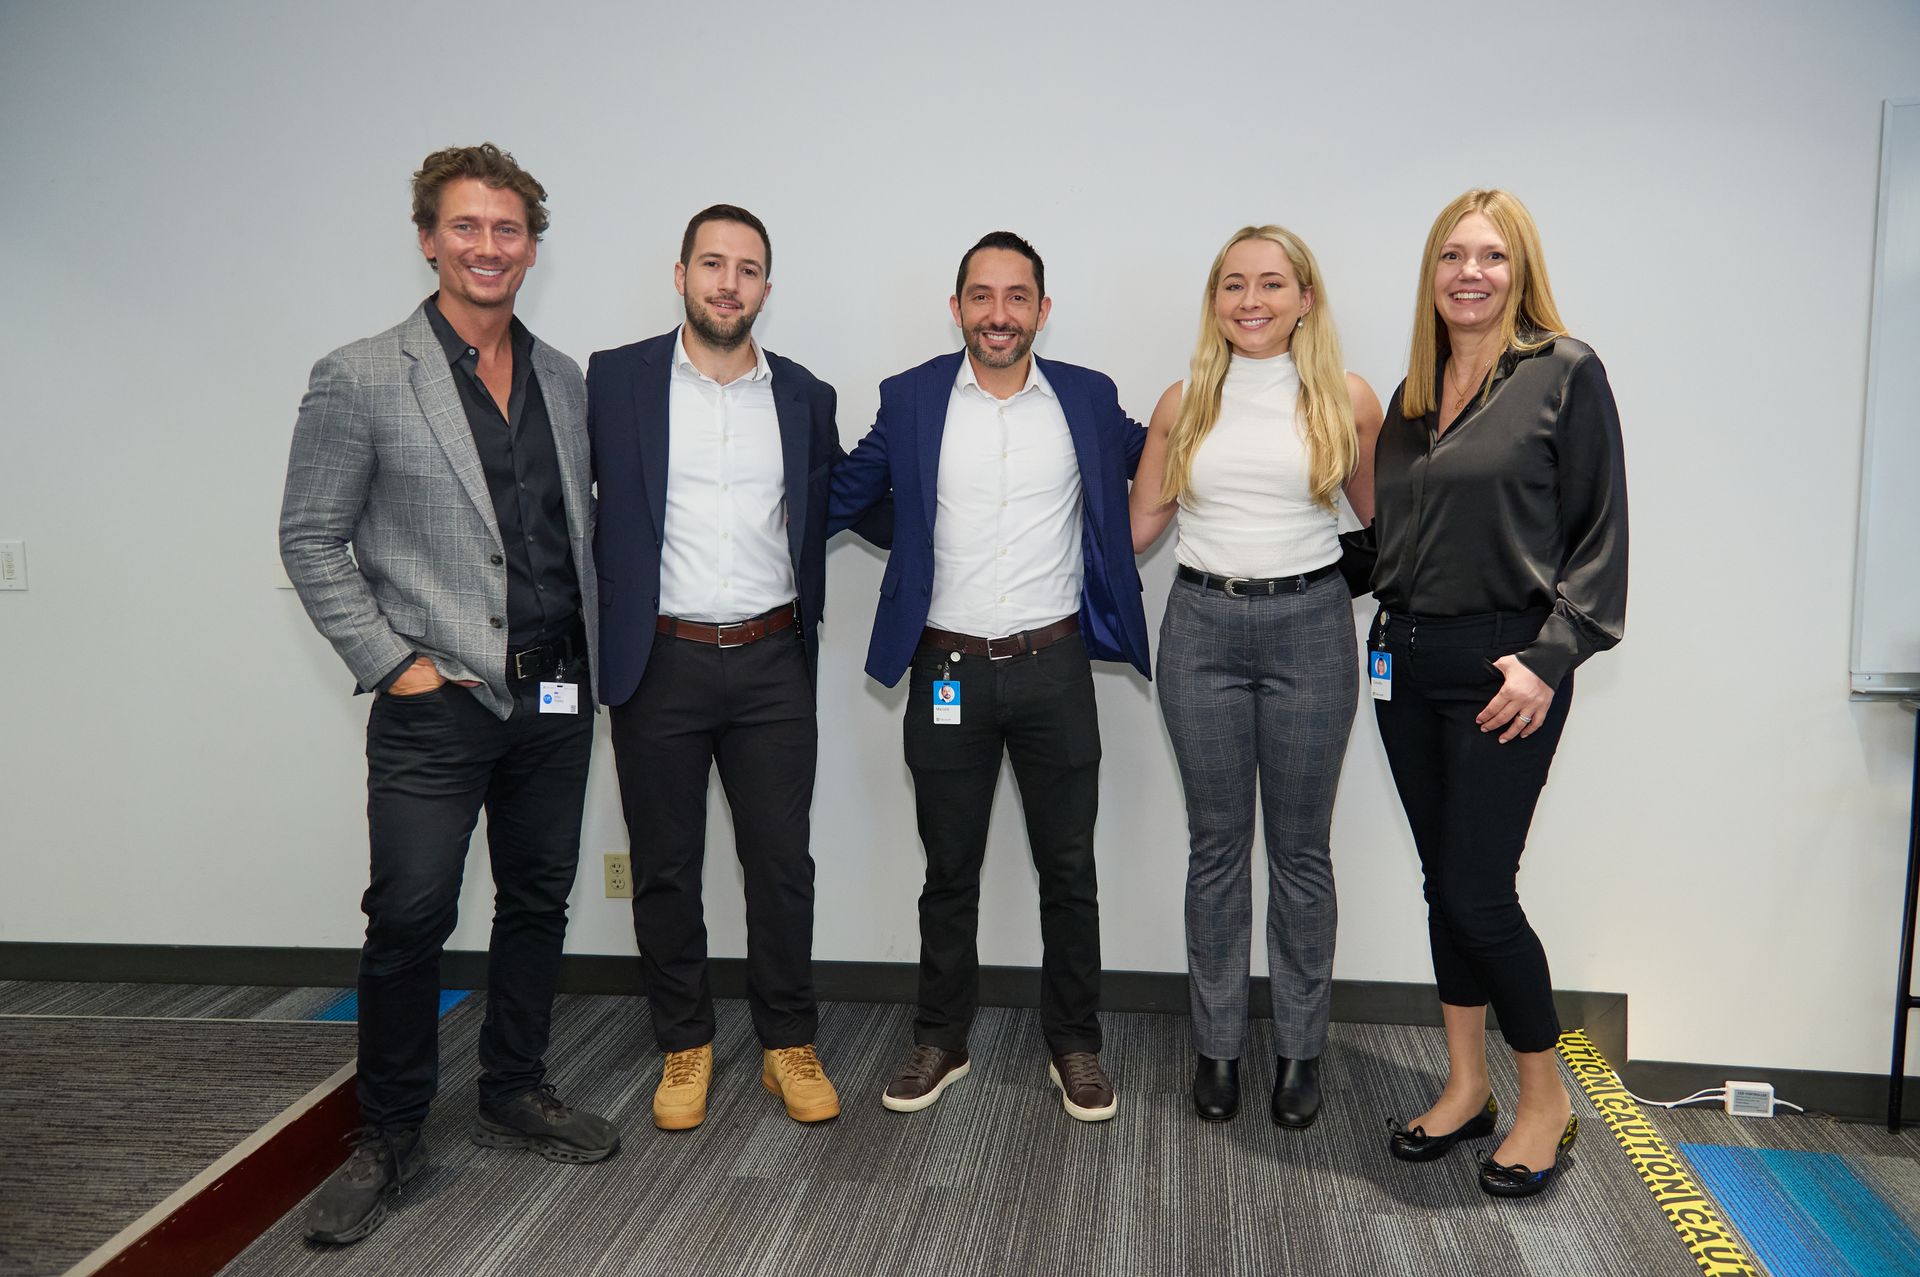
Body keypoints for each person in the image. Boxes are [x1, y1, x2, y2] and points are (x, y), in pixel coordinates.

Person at [279, 143, 618, 1246]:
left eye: (509, 230)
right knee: (412, 912)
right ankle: (387, 1132)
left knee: (537, 895)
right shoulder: (363, 374)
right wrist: (397, 663)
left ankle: (514, 1084)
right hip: (436, 697)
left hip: (558, 687)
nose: (488, 248)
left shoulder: (564, 378)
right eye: (466, 228)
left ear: (533, 246)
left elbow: (572, 533)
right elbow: (310, 537)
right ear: (428, 237)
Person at [831, 232, 1150, 1122]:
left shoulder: (1087, 398)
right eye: (981, 295)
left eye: (1017, 297)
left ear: (1043, 310)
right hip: (948, 672)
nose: (998, 313)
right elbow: (849, 494)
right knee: (948, 869)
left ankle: (1075, 1043)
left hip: (1055, 666)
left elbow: (1163, 457)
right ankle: (941, 1036)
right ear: (957, 306)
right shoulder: (912, 397)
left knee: (1070, 868)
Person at [589, 205, 886, 1132]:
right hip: (660, 659)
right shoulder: (613, 381)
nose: (729, 283)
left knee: (780, 865)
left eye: (747, 269)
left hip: (770, 663)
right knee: (666, 867)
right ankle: (685, 1042)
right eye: (712, 264)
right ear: (679, 273)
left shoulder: (804, 395)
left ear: (766, 288)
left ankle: (785, 1042)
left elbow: (844, 504)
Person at [1370, 189, 1627, 1198]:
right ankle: (1466, 1083)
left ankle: (1544, 1097)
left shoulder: (1564, 372)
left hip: (1504, 667)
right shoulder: (1413, 391)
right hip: (1406, 659)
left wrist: (1548, 657)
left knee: (1480, 890)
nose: (1468, 274)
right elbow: (1395, 540)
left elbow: (1600, 537)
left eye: (1490, 257)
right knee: (1445, 882)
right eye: (1451, 256)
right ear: (1431, 274)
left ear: (1521, 270)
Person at [1129, 225, 1383, 1126]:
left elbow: (1386, 531)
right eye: (1232, 285)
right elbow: (1137, 531)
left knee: (1302, 853)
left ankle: (1299, 1052)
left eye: (1272, 284)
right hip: (1199, 629)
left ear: (1305, 298)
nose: (1251, 300)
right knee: (1217, 849)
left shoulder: (1345, 399)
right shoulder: (1185, 399)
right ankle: (1219, 1049)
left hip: (1311, 629)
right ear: (1214, 300)